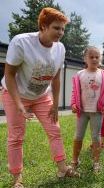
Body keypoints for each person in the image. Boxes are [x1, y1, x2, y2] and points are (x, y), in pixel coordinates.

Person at [1, 7, 79, 188]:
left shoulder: (60, 48)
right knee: (16, 137)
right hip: (15, 94)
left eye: (62, 29)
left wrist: (56, 104)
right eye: (56, 28)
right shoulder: (21, 42)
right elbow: (10, 75)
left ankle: (62, 168)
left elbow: (57, 78)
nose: (60, 33)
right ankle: (17, 178)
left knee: (55, 130)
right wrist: (19, 104)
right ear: (43, 26)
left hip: (42, 95)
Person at [70, 46, 104, 173]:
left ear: (100, 58)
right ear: (85, 59)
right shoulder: (79, 75)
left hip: (97, 112)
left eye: (97, 57)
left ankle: (96, 162)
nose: (94, 59)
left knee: (96, 137)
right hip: (82, 112)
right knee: (78, 136)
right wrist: (73, 104)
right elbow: (74, 91)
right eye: (91, 57)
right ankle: (75, 160)